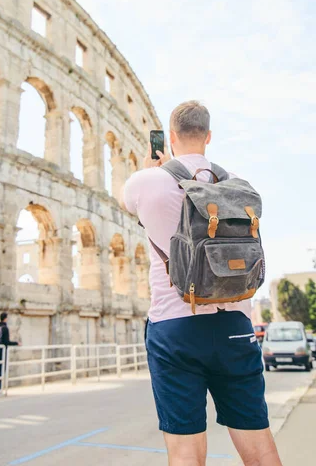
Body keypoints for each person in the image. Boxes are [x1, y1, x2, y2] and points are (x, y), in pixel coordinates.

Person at [121, 101, 282, 466]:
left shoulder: (147, 182)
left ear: (171, 137)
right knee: (259, 446)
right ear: (208, 137)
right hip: (235, 325)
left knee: (185, 452)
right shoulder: (239, 185)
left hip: (175, 325)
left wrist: (153, 169)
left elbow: (126, 204)